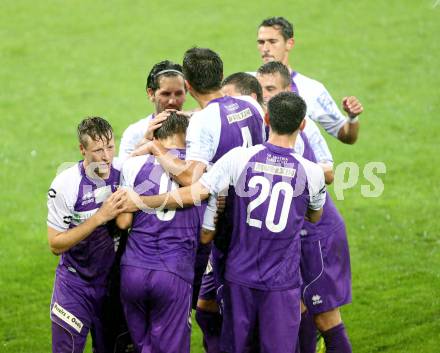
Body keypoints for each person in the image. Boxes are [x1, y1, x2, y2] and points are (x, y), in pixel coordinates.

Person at [124, 91, 326, 353]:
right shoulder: (312, 172)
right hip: (281, 281)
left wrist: (141, 201)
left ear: (266, 118)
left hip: (238, 277)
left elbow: (193, 192)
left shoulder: (237, 159)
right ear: (302, 124)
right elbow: (315, 215)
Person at [130, 47, 265, 352]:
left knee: (233, 314)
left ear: (187, 86)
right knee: (221, 308)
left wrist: (156, 150)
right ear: (221, 75)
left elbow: (191, 178)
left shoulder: (204, 123)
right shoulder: (249, 105)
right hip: (257, 214)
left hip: (226, 227)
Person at [256, 61, 353, 353]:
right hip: (292, 236)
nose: (266, 97)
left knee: (325, 316)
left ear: (288, 90)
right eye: (261, 91)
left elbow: (329, 172)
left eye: (271, 90)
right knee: (295, 309)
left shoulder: (302, 126)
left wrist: (286, 169)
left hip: (317, 233)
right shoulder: (264, 123)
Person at [116, 112, 204, 353]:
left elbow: (123, 222)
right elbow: (207, 233)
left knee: (143, 347)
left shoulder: (132, 165)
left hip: (133, 269)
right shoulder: (199, 169)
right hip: (173, 272)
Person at [47, 117, 127, 352]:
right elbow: (55, 244)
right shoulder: (65, 185)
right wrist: (100, 217)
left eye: (111, 147)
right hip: (75, 284)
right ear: (82, 149)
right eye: (98, 150)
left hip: (113, 283)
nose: (106, 156)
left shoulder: (125, 172)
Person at [256, 17, 363, 144]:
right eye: (261, 42)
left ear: (289, 43)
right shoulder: (245, 83)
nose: (265, 48)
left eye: (272, 41)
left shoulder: (312, 89)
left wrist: (352, 117)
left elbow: (346, 136)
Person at [118, 60, 187, 159]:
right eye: (166, 94)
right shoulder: (135, 133)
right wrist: (145, 142)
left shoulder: (197, 129)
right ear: (151, 94)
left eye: (178, 93)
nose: (172, 101)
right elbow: (124, 172)